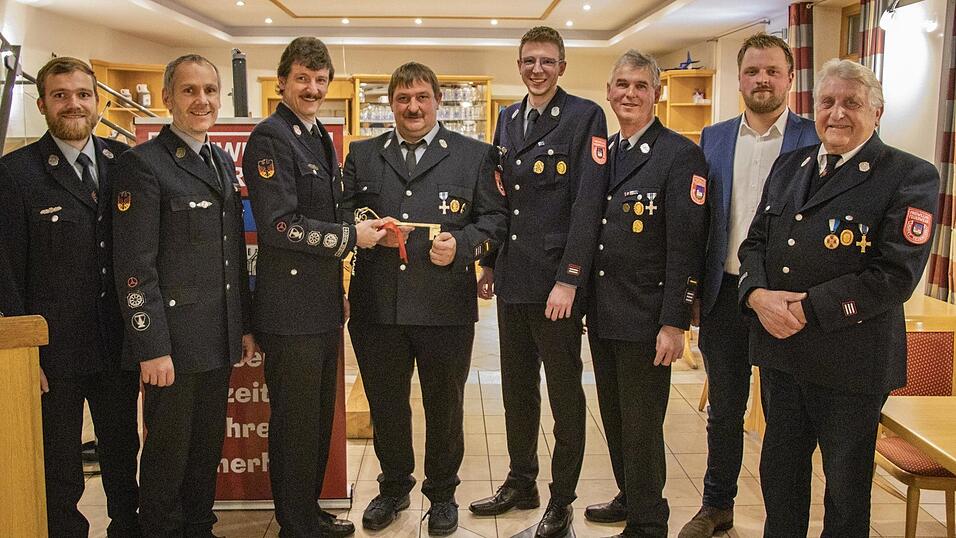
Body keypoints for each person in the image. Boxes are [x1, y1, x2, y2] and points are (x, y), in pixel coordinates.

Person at [737, 58, 939, 537]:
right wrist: (756, 295)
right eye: (827, 102)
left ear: (877, 111)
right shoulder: (791, 165)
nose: (837, 113)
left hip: (851, 363)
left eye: (852, 102)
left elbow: (894, 275)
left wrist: (805, 309)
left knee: (846, 494)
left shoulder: (909, 175)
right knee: (780, 478)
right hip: (783, 356)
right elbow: (755, 244)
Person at [343, 61, 507, 536]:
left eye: (421, 97)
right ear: (389, 104)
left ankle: (442, 494)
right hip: (378, 306)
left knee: (444, 404)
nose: (412, 107)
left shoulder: (473, 155)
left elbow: (495, 220)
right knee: (387, 404)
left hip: (444, 307)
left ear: (437, 100)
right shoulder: (363, 154)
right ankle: (394, 488)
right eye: (402, 98)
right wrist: (360, 231)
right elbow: (343, 211)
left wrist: (463, 247)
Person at [468, 26, 609, 538]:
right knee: (517, 389)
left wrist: (570, 279)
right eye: (528, 60)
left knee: (565, 393)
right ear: (519, 65)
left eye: (547, 61)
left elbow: (588, 204)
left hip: (556, 286)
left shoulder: (584, 116)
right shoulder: (507, 118)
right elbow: (500, 200)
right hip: (513, 279)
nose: (537, 69)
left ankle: (562, 498)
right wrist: (488, 262)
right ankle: (521, 481)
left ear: (562, 67)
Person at [679, 32, 818, 538]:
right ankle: (717, 505)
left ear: (790, 78)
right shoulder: (714, 137)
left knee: (785, 420)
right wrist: (693, 292)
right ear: (739, 78)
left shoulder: (813, 136)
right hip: (726, 294)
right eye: (753, 71)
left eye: (772, 71)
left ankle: (783, 522)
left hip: (786, 301)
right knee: (724, 411)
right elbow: (703, 222)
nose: (762, 80)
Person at [111, 54, 256, 537]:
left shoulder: (217, 160)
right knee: (167, 456)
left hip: (216, 340)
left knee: (204, 451)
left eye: (210, 91)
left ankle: (199, 527)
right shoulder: (142, 165)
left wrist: (244, 327)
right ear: (169, 97)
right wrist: (151, 345)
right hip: (171, 346)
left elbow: (232, 255)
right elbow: (134, 268)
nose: (202, 101)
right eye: (190, 91)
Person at [242, 36, 381, 538]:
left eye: (320, 81)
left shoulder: (318, 134)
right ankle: (294, 522)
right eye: (303, 78)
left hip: (321, 306)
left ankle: (309, 510)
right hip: (289, 312)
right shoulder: (270, 138)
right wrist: (350, 237)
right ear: (283, 81)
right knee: (295, 423)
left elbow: (329, 205)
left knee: (319, 419)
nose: (312, 88)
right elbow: (279, 225)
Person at [0, 56, 140, 538]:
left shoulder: (126, 164)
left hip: (117, 342)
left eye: (82, 94)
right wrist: (24, 353)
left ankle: (127, 529)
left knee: (124, 453)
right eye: (61, 95)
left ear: (98, 101)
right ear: (42, 104)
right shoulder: (15, 174)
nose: (73, 104)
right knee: (60, 464)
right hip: (54, 350)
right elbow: (7, 270)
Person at [584, 50, 709, 538]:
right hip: (605, 311)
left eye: (640, 86)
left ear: (655, 93)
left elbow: (686, 245)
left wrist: (675, 321)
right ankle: (630, 493)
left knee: (641, 424)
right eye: (621, 85)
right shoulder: (607, 152)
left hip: (647, 315)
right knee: (614, 417)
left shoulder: (680, 155)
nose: (629, 94)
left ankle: (648, 519)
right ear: (610, 93)